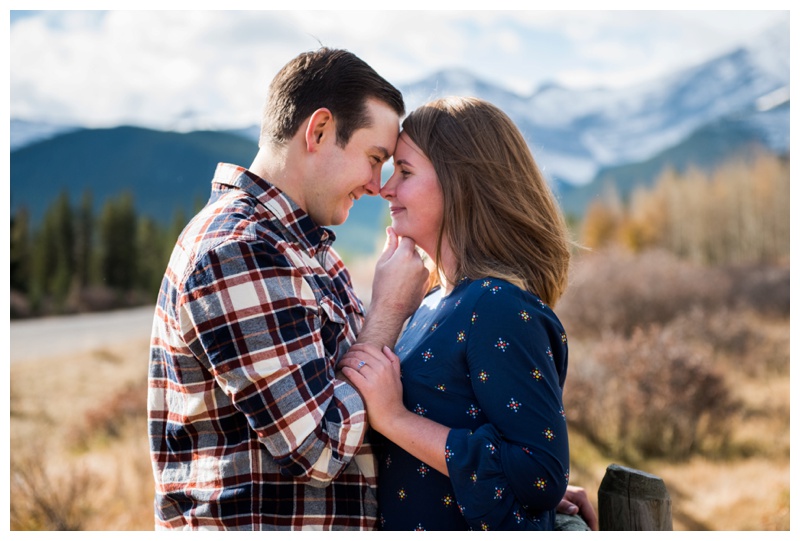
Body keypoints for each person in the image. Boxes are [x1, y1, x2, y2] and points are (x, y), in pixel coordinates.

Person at [147, 47, 430, 530]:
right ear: (318, 131)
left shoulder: (306, 248)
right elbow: (318, 446)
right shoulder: (235, 252)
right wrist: (388, 310)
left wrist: (503, 485)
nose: (377, 185)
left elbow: (372, 414)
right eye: (374, 158)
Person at [340, 96, 597, 530]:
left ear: (460, 183)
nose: (385, 188)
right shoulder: (434, 302)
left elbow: (540, 473)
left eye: (404, 172)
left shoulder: (496, 306)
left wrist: (396, 419)